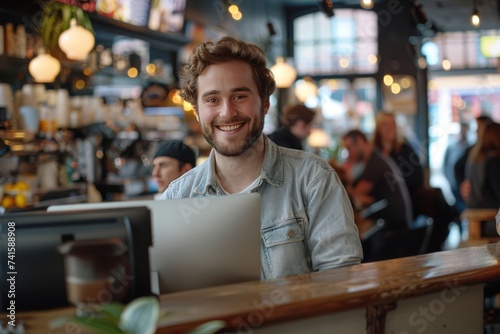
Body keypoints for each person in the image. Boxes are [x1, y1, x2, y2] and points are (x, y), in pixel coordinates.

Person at [160, 36, 362, 279]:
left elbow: (340, 284)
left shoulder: (313, 179)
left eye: (240, 96)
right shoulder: (177, 198)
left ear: (265, 103)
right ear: (197, 111)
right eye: (212, 100)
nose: (227, 112)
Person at [342, 129, 413, 230]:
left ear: (360, 141)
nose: (349, 154)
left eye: (349, 148)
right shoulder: (373, 158)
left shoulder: (375, 164)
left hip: (394, 227)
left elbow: (356, 194)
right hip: (387, 220)